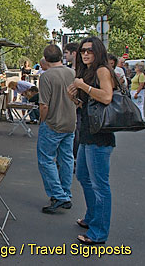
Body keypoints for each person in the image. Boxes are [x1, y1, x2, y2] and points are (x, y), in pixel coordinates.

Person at [67, 36, 115, 245]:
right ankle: (92, 218)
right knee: (84, 177)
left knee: (99, 185)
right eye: (83, 51)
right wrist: (74, 98)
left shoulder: (102, 70)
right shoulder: (87, 72)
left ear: (98, 52)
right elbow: (88, 107)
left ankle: (98, 232)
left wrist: (82, 86)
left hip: (99, 136)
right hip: (87, 133)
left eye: (90, 51)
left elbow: (106, 97)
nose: (86, 54)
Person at [37, 44, 76, 214]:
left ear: (45, 59)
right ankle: (66, 192)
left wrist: (42, 120)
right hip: (70, 122)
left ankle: (59, 195)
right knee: (66, 159)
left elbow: (44, 105)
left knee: (46, 160)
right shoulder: (72, 73)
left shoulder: (47, 76)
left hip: (53, 122)